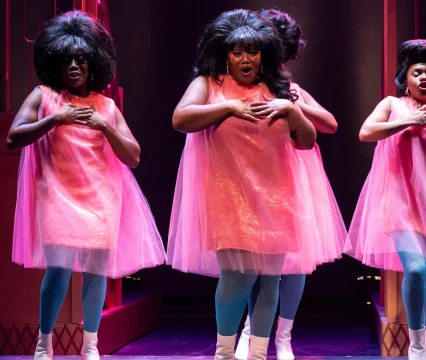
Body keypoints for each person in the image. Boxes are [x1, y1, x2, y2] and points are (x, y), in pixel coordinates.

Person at [167, 8, 327, 360]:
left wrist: (292, 109)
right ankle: (224, 353)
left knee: (270, 280)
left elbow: (306, 141)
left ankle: (256, 355)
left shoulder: (277, 87)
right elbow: (181, 118)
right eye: (237, 51)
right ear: (224, 53)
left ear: (264, 54)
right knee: (239, 277)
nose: (245, 58)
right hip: (229, 196)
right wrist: (229, 109)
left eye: (252, 51)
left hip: (276, 196)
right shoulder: (209, 84)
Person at [7, 11, 166, 360]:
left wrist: (106, 127)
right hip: (57, 195)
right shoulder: (44, 96)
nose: (74, 66)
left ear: (94, 64)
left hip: (100, 198)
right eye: (67, 60)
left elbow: (134, 156)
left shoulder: (106, 106)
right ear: (56, 63)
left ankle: (90, 346)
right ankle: (44, 344)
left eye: (81, 59)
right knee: (59, 270)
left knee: (96, 274)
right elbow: (12, 139)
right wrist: (56, 118)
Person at [344, 39, 426, 360]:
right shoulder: (393, 105)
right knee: (415, 270)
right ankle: (416, 346)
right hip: (401, 205)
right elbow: (366, 132)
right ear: (406, 78)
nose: (423, 78)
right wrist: (409, 121)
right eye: (417, 72)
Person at [235, 9, 346, 360]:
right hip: (260, 174)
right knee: (257, 259)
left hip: (299, 174)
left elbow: (330, 124)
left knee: (297, 261)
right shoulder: (241, 85)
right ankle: (253, 332)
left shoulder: (293, 90)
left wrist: (294, 106)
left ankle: (284, 335)